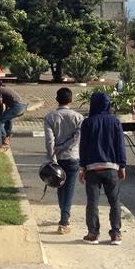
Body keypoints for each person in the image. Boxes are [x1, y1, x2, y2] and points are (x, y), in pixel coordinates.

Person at [78, 90, 127, 245]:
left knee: (92, 202)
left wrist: (82, 167)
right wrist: (122, 166)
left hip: (92, 169)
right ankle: (116, 234)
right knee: (114, 201)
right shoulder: (115, 122)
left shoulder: (87, 123)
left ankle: (93, 234)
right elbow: (120, 146)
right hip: (111, 168)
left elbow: (83, 147)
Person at [44, 87, 83, 235]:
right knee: (69, 190)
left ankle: (64, 214)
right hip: (72, 157)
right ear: (71, 100)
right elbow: (77, 139)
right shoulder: (79, 117)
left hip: (57, 159)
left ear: (56, 99)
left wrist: (53, 156)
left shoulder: (50, 117)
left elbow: (49, 141)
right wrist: (64, 147)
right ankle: (64, 221)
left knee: (60, 187)